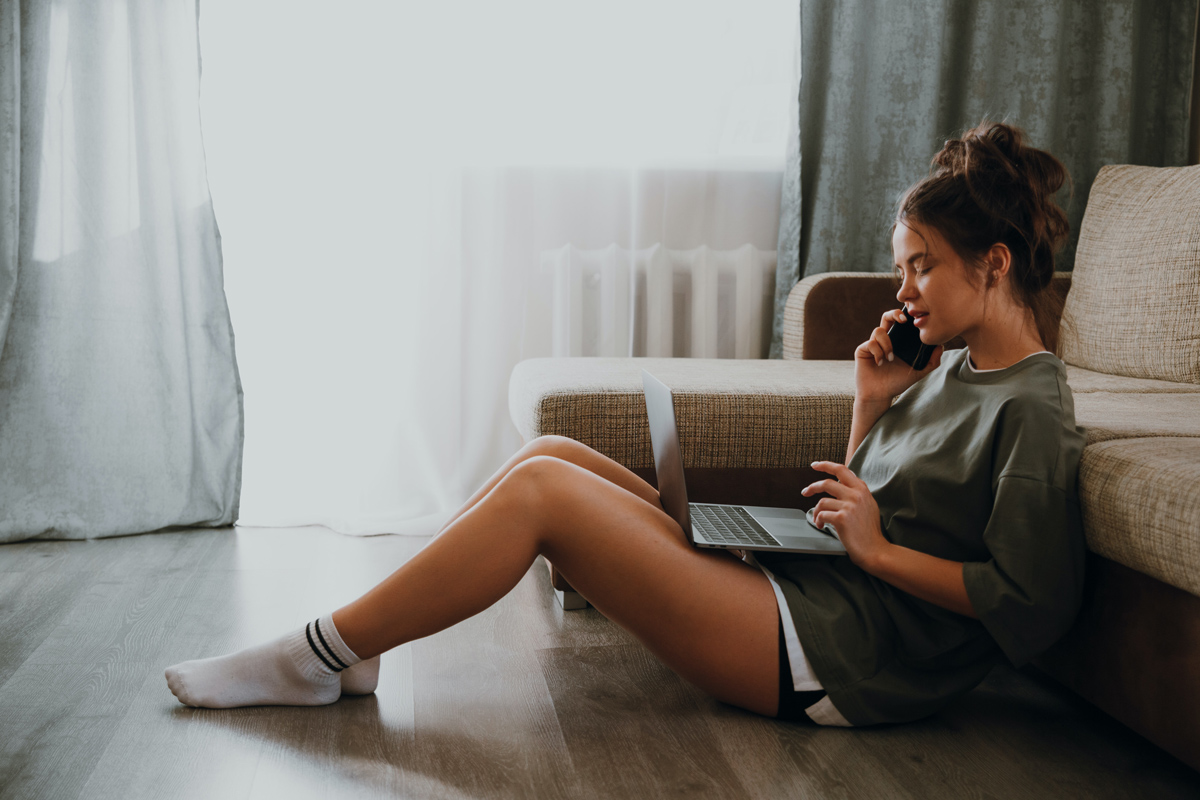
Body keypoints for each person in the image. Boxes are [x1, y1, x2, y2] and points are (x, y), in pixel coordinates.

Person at [165, 121, 1087, 727]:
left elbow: (1032, 606)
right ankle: (358, 649)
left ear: (994, 263)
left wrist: (880, 554)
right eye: (905, 267)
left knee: (540, 494)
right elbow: (859, 504)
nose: (903, 290)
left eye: (921, 266)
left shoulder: (1033, 410)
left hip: (840, 659)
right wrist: (870, 407)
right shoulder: (957, 371)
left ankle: (319, 652)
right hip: (818, 598)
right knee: (554, 451)